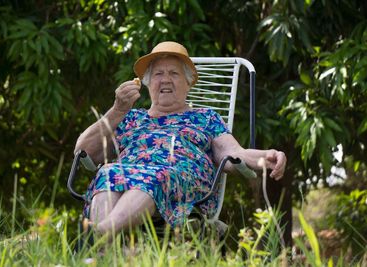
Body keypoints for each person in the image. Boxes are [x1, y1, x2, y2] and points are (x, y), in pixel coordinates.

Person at [74, 41, 287, 239]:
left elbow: (233, 153)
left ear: (188, 83)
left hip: (179, 183)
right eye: (158, 73)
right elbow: (83, 152)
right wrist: (117, 110)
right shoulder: (130, 118)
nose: (165, 79)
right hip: (131, 177)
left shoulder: (205, 118)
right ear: (147, 83)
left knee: (155, 176)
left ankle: (98, 233)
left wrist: (264, 157)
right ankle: (102, 250)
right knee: (107, 172)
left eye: (174, 73)